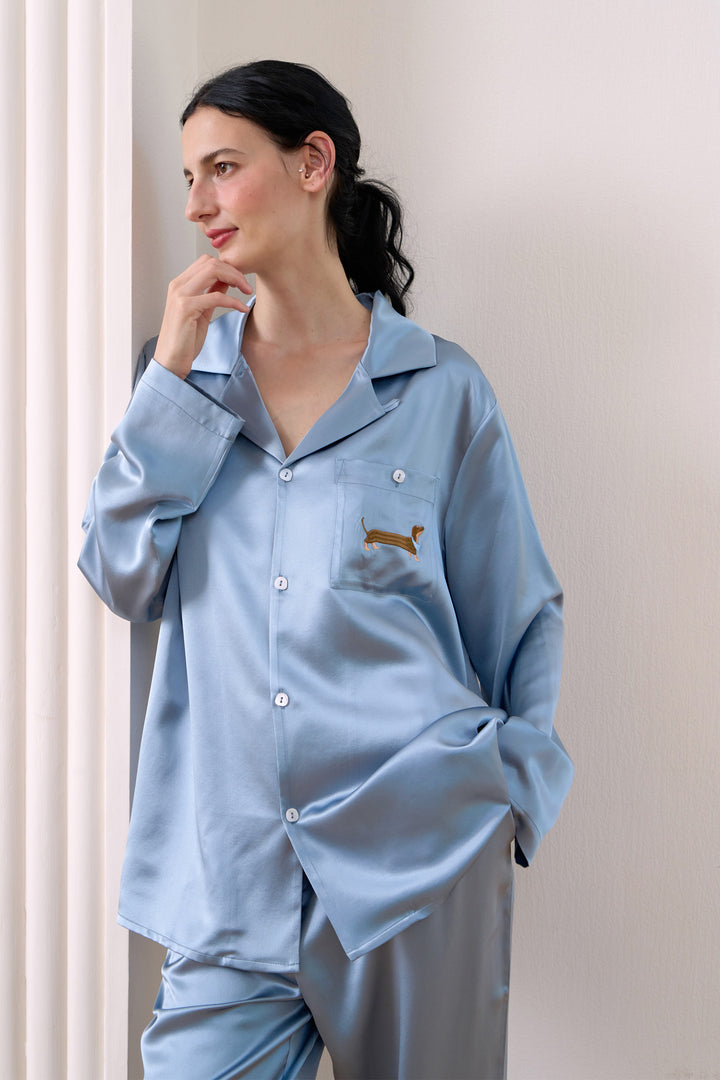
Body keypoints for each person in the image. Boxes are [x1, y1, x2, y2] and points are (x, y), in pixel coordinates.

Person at [79, 59, 573, 1080]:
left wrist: (508, 796)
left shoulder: (440, 391)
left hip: (416, 867)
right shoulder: (184, 383)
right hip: (226, 878)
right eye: (188, 177)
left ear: (314, 164)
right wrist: (169, 374)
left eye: (223, 167)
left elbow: (517, 615)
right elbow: (121, 574)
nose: (197, 204)